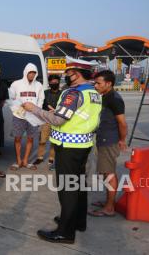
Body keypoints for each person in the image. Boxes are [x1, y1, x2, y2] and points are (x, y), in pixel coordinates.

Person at [23, 57, 102, 244]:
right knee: (79, 185)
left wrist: (34, 109)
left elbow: (59, 120)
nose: (66, 76)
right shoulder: (94, 92)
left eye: (68, 72)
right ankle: (77, 221)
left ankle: (65, 232)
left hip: (69, 146)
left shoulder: (73, 93)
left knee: (67, 188)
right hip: (84, 145)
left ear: (77, 74)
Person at [89, 70, 127, 217]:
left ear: (109, 83)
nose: (95, 85)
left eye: (98, 83)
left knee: (109, 173)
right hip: (103, 138)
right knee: (105, 172)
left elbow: (122, 123)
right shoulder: (105, 96)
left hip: (109, 141)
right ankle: (108, 201)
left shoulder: (114, 99)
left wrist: (122, 140)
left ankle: (109, 208)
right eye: (95, 82)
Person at [8, 63, 44, 171]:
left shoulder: (38, 85)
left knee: (30, 138)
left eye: (34, 73)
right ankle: (18, 161)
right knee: (17, 138)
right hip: (19, 115)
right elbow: (11, 98)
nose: (32, 75)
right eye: (30, 72)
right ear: (26, 73)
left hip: (33, 116)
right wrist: (17, 110)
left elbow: (41, 99)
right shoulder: (16, 84)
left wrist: (37, 111)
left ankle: (26, 161)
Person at [34, 74, 62, 170]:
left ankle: (51, 158)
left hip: (57, 120)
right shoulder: (45, 93)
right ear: (49, 83)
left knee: (54, 141)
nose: (54, 83)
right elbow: (41, 104)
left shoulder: (62, 94)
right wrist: (47, 110)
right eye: (52, 82)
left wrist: (56, 110)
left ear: (58, 82)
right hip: (46, 119)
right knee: (42, 139)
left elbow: (63, 105)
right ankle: (40, 157)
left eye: (56, 82)